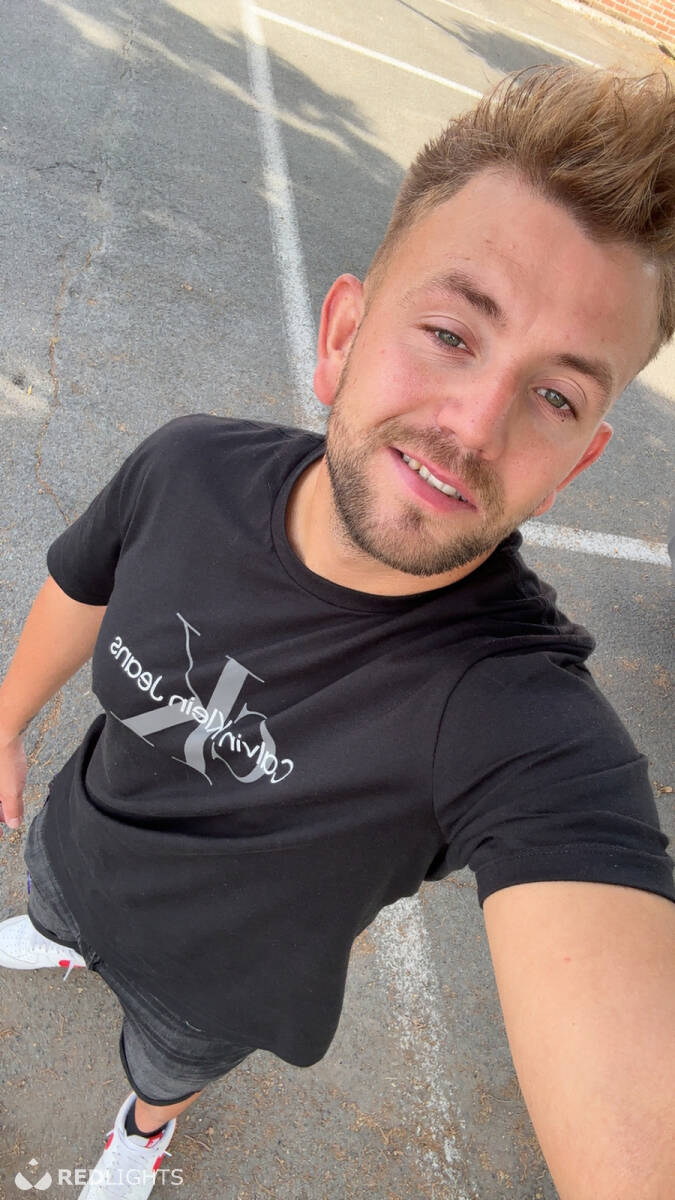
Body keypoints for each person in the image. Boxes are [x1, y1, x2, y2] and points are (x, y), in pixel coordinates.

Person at [1, 64, 674, 1200]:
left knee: (163, 1068)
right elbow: (84, 579)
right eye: (451, 332)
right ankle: (59, 936)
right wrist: (8, 719)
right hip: (77, 847)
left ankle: (146, 1131)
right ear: (344, 331)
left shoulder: (514, 720)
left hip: (212, 994)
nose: (474, 426)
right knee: (56, 908)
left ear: (577, 462)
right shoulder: (186, 467)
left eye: (556, 396)